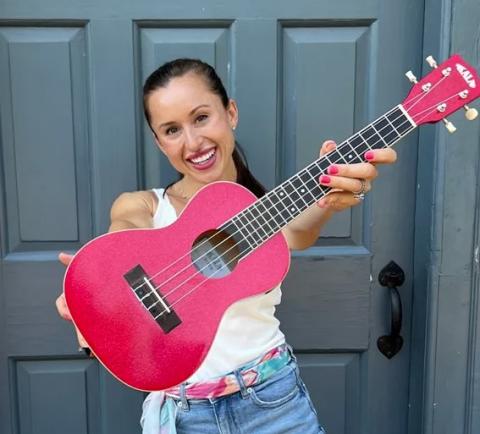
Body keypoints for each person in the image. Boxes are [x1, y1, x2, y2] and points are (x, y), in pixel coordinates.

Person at [56, 58, 397, 433]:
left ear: (230, 112)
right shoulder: (144, 206)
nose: (193, 142)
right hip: (185, 417)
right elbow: (122, 233)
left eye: (201, 117)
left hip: (275, 405)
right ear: (158, 142)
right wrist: (94, 288)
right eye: (172, 130)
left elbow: (300, 230)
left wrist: (330, 197)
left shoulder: (268, 212)